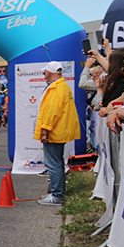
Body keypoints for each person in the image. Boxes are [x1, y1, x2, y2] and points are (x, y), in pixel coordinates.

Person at [34, 61, 80, 205]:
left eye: (45, 73)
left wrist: (45, 130)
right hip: (58, 130)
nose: (44, 76)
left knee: (53, 163)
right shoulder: (62, 86)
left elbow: (52, 111)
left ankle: (57, 195)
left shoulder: (56, 88)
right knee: (57, 162)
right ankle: (57, 193)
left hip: (54, 131)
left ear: (49, 72)